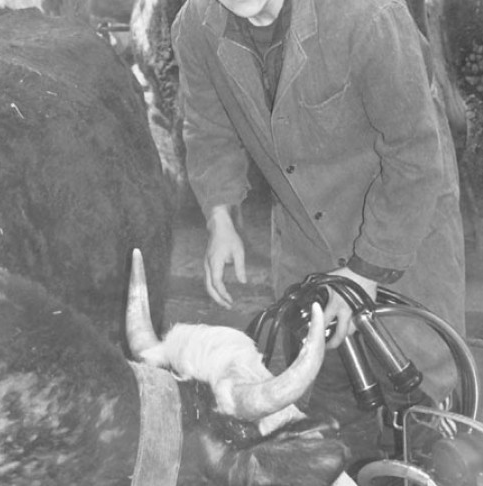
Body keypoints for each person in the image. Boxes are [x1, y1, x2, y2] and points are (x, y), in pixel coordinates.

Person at [172, 0, 465, 467]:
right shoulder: (196, 28)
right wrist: (220, 216)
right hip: (307, 244)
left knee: (420, 416)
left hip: (402, 230)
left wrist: (365, 273)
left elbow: (414, 154)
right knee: (327, 420)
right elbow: (208, 127)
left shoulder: (367, 15)